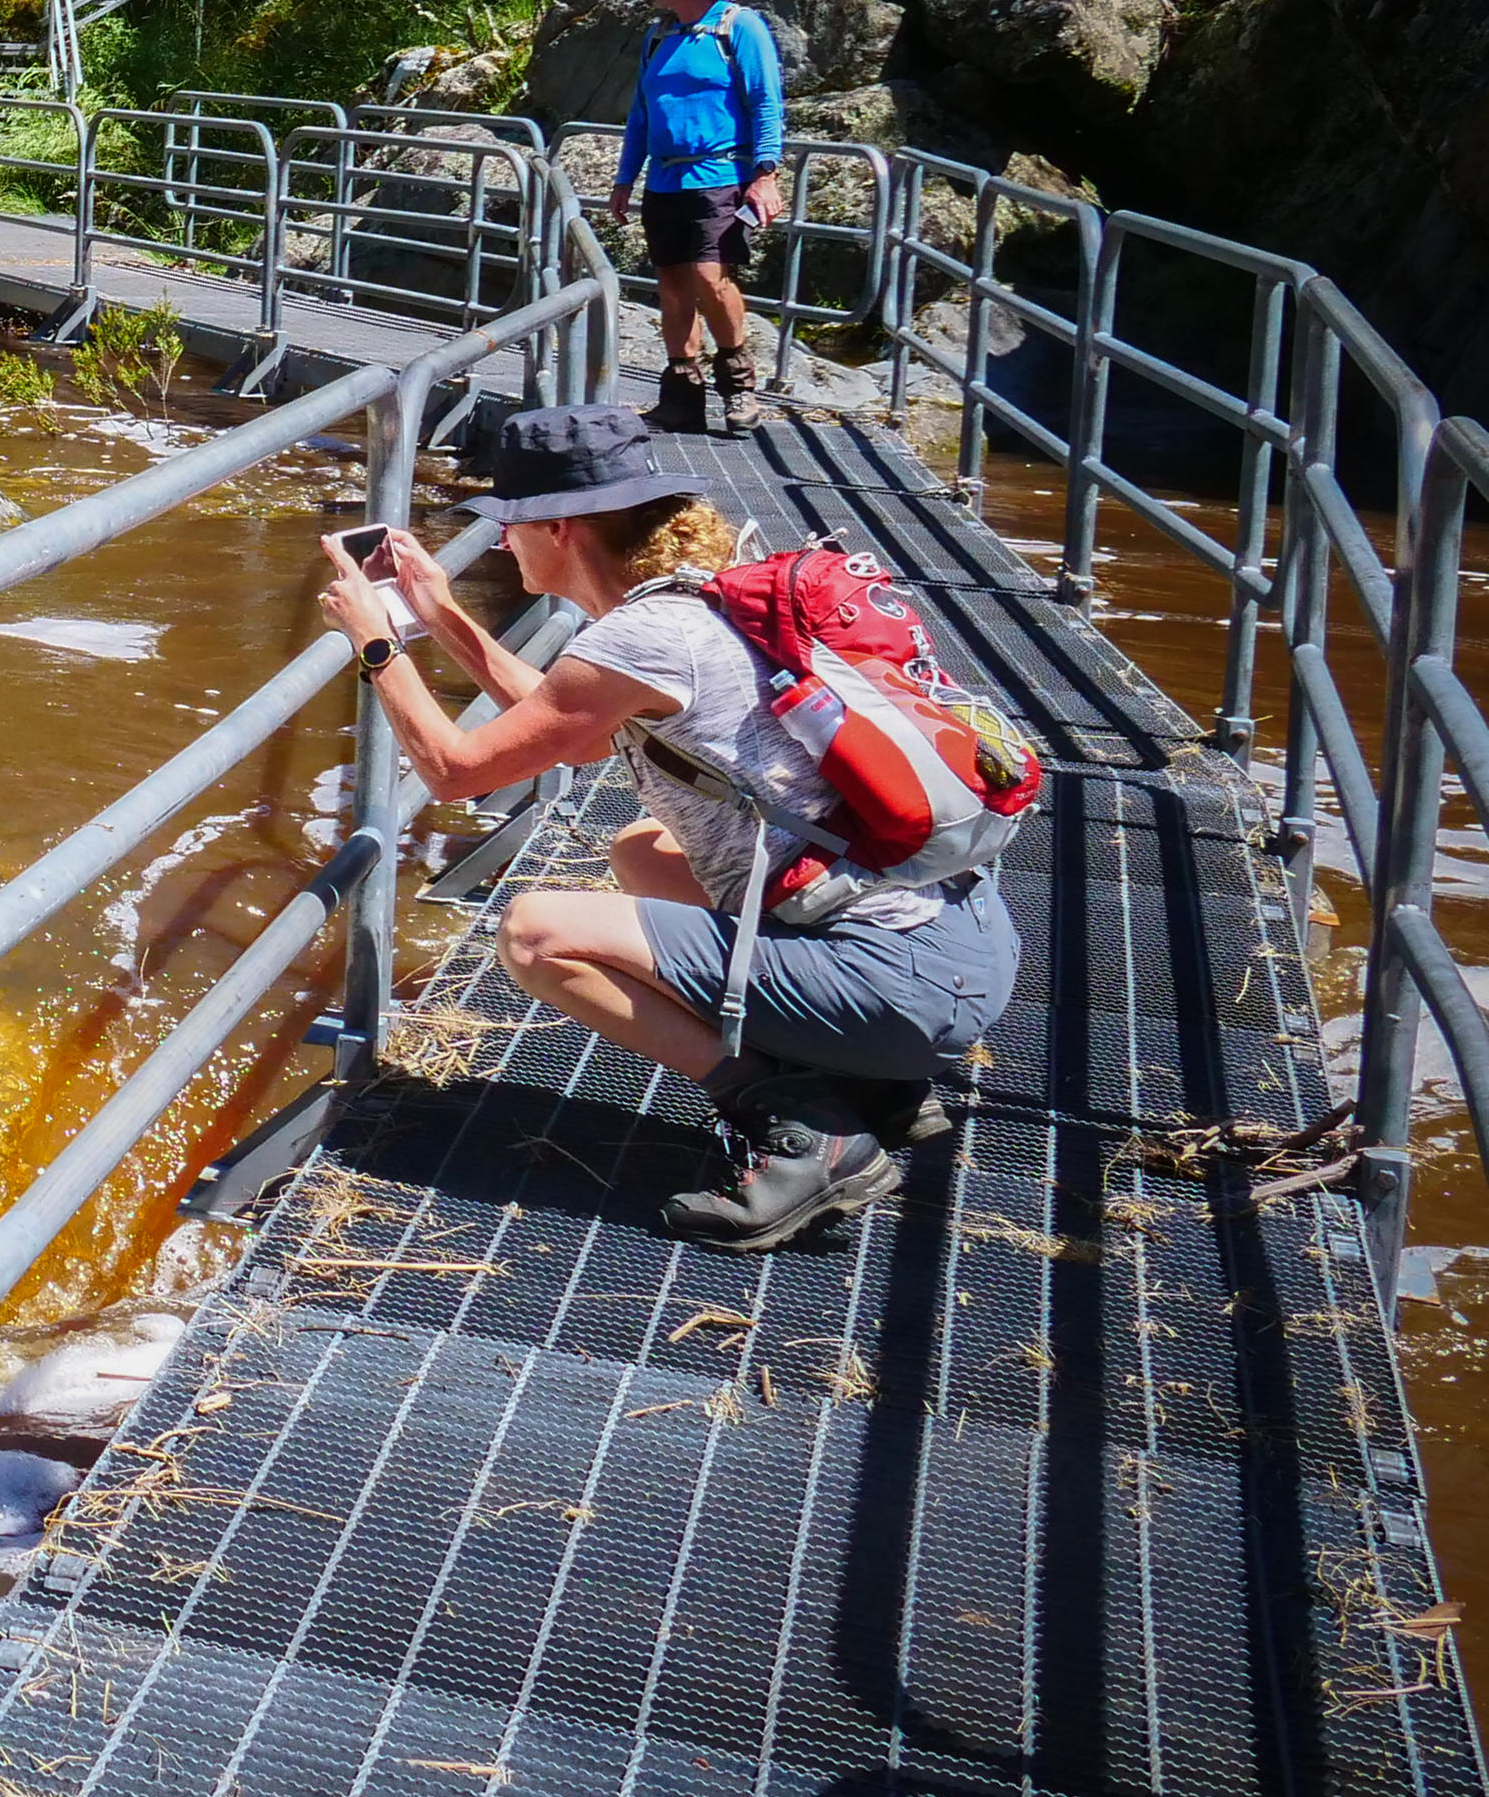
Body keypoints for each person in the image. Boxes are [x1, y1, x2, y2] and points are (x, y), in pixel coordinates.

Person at [314, 402, 1021, 1251]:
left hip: (899, 989)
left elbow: (456, 770)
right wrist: (439, 613)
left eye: (511, 524)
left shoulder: (644, 639)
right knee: (641, 850)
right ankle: (873, 1083)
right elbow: (566, 728)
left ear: (562, 528)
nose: (501, 542)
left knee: (536, 933)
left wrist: (377, 645)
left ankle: (801, 1129)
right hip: (960, 950)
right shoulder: (699, 602)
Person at [608, 0, 786, 435]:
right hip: (664, 181)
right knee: (672, 286)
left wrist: (766, 174)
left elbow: (766, 102)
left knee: (710, 277)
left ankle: (738, 386)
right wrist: (625, 178)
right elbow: (641, 114)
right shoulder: (658, 37)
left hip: (720, 176)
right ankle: (682, 397)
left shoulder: (739, 27)